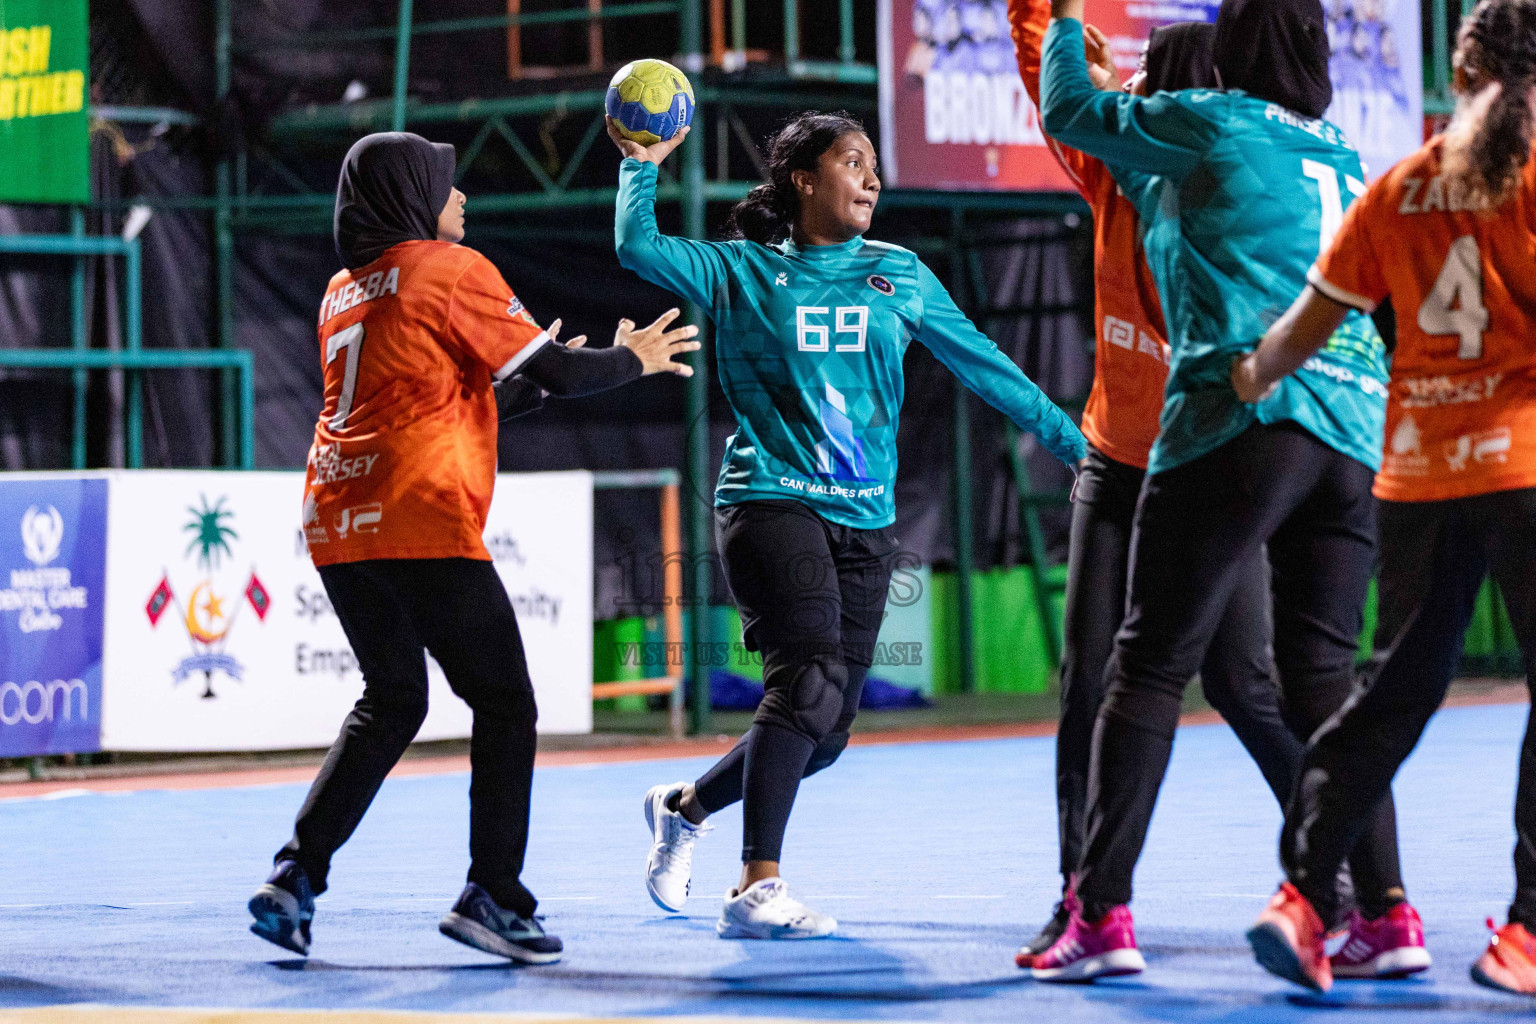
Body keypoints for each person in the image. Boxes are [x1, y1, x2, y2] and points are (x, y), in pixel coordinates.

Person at [609, 112, 1087, 939]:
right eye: (852, 162)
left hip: (865, 516)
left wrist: (1078, 447)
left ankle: (683, 809)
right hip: (768, 500)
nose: (870, 178)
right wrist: (641, 164)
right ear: (801, 178)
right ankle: (757, 888)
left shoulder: (897, 274)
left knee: (824, 734)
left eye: (874, 164)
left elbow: (987, 366)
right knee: (807, 684)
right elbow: (638, 248)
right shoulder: (742, 271)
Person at [1029, 0, 1425, 982]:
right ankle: (1386, 914)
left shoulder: (1210, 121)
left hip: (1240, 421)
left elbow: (1070, 104)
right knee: (1325, 686)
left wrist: (1068, 16)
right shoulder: (1338, 150)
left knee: (1149, 667)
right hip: (1352, 433)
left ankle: (1101, 916)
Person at [246, 131, 700, 963]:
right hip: (420, 513)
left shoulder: (343, 292)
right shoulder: (453, 270)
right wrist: (630, 359)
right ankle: (494, 895)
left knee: (393, 701)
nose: (463, 198)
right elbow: (563, 374)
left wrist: (519, 383)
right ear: (414, 197)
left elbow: (437, 402)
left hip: (338, 516)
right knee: (504, 704)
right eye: (447, 185)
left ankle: (294, 875)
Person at [1236, 0, 1536, 994]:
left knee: (1395, 694)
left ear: (1462, 69)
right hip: (1525, 466)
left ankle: (1307, 894)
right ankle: (1528, 931)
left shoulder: (1402, 181)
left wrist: (1245, 377)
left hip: (1414, 473)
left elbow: (1297, 335)